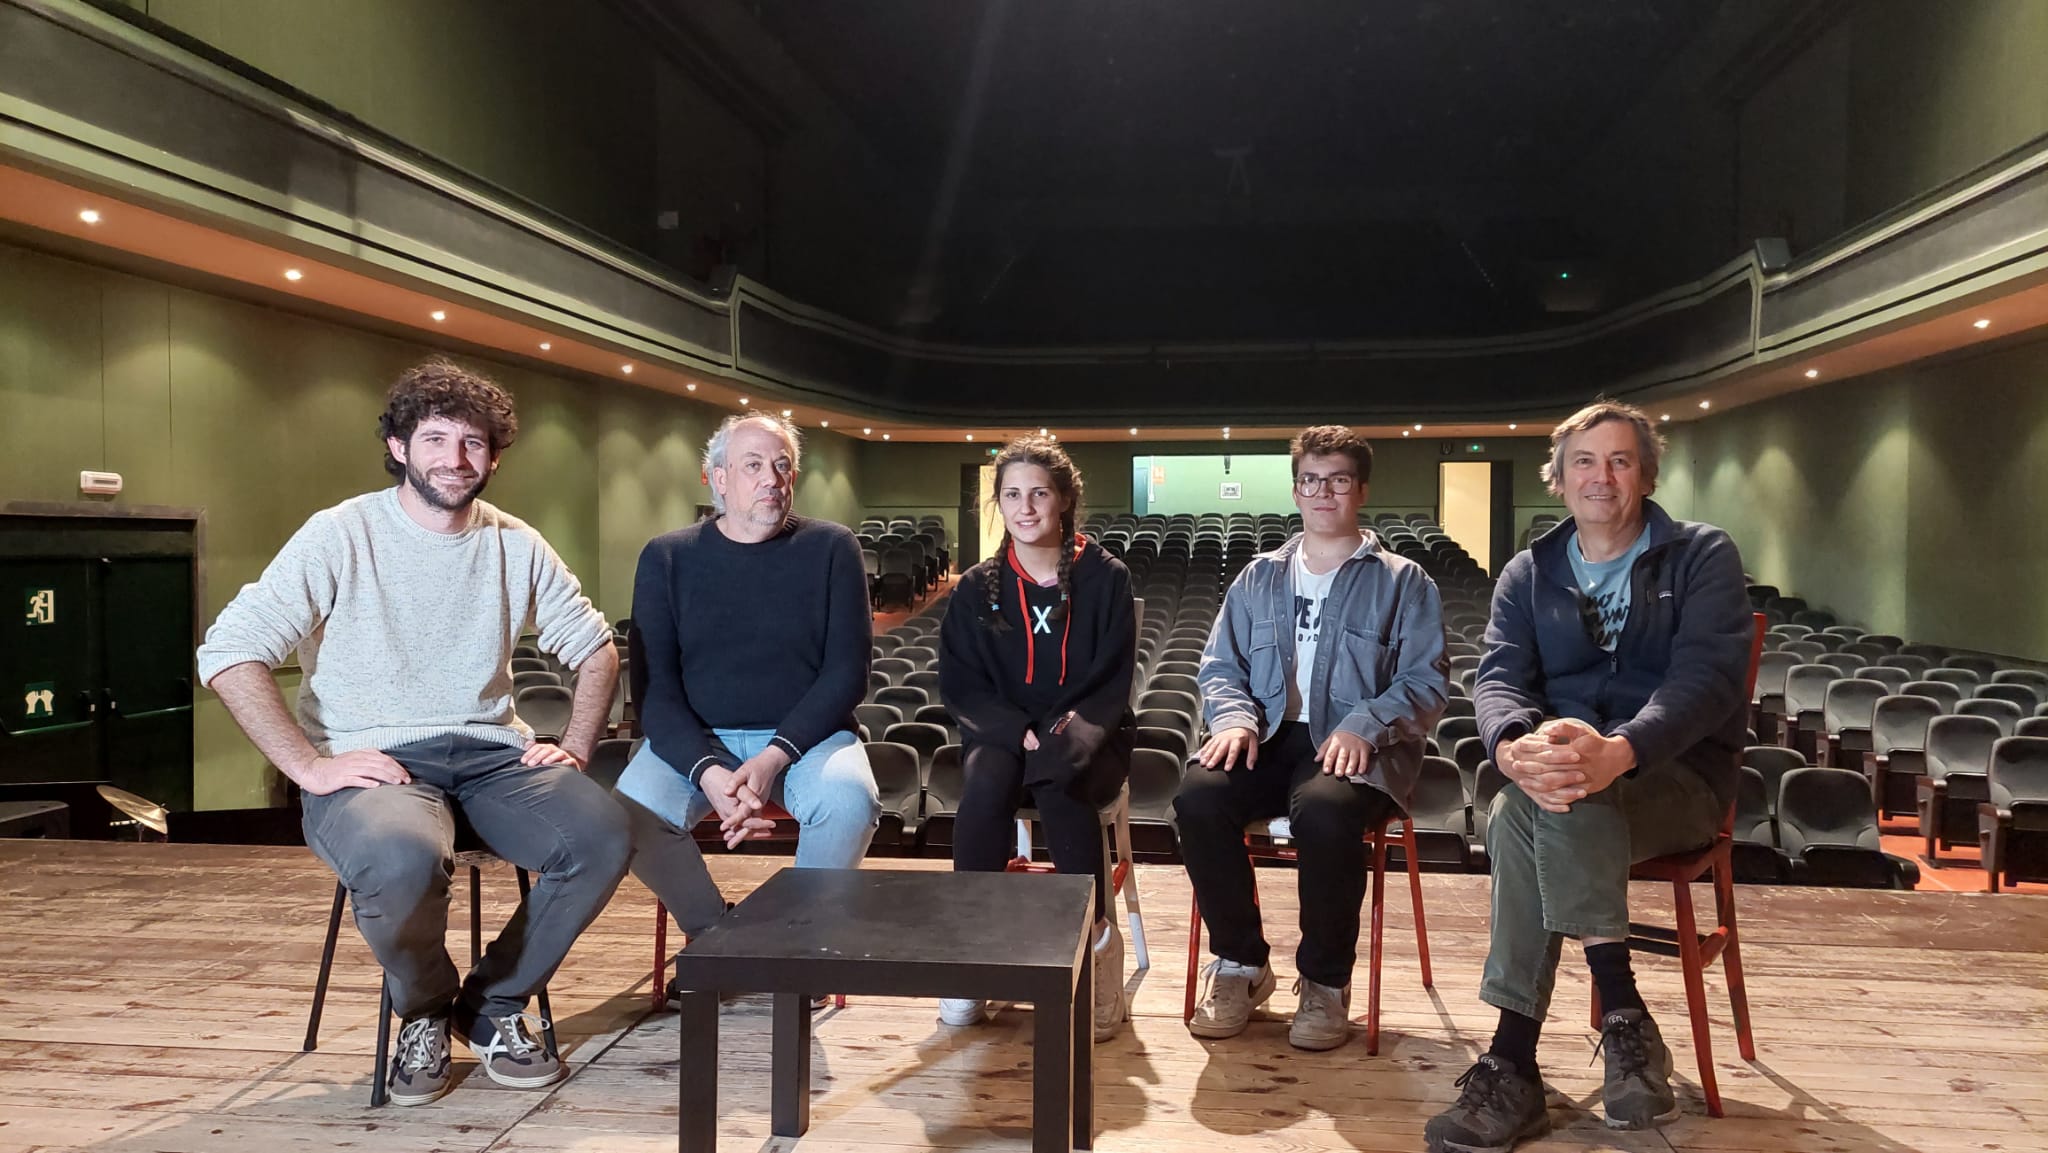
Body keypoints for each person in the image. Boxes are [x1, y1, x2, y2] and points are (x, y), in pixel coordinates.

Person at [197, 357, 628, 1106]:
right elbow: (229, 652)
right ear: (399, 445)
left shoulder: (515, 542)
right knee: (401, 861)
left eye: (473, 442)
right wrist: (308, 766)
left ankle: (490, 1005)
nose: (454, 459)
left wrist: (580, 744)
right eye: (435, 438)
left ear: (494, 455)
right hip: (373, 759)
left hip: (494, 754)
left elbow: (596, 648)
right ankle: (425, 1008)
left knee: (602, 836)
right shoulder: (341, 533)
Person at [1425, 400, 1753, 1152]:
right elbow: (1500, 677)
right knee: (1524, 802)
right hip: (1565, 776)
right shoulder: (1528, 570)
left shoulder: (1701, 554)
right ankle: (1625, 1021)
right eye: (1584, 461)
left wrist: (1622, 747)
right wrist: (1511, 745)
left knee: (1533, 809)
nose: (1600, 476)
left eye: (1619, 460)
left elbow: (1707, 679)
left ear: (1644, 473)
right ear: (1559, 477)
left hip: (1677, 779)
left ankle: (1514, 1060)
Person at [1174, 424, 1449, 1051]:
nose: (1323, 493)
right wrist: (1234, 717)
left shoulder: (1404, 582)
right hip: (1267, 736)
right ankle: (1242, 964)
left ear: (1361, 490)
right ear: (1297, 489)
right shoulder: (1258, 577)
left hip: (1357, 744)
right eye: (1311, 480)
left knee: (1324, 813)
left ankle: (1325, 982)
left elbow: (1426, 680)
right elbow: (1219, 667)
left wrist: (1365, 723)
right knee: (1197, 798)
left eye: (1339, 480)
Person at [614, 413, 880, 1002]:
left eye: (783, 465)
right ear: (716, 481)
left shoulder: (831, 548)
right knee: (625, 813)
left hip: (808, 740)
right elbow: (655, 691)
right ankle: (715, 936)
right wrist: (708, 771)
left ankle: (801, 949)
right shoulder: (666, 557)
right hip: (695, 743)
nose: (772, 479)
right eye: (753, 466)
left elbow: (847, 674)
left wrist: (772, 759)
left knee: (848, 800)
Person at [937, 436, 1136, 1039]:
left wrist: (1059, 738)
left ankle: (1096, 947)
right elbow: (962, 682)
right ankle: (971, 955)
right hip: (1003, 731)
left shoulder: (1105, 577)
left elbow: (1110, 680)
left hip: (1088, 733)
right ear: (999, 502)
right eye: (1013, 495)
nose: (1026, 507)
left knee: (1059, 784)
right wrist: (1013, 730)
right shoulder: (977, 585)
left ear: (1065, 499)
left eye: (1040, 493)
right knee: (985, 786)